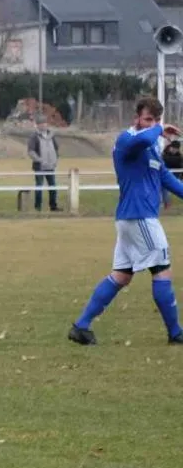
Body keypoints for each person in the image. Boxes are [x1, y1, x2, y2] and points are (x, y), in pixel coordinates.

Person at [66, 95, 183, 347]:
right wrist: (160, 129)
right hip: (140, 216)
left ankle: (81, 327)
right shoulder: (126, 140)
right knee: (162, 269)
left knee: (121, 275)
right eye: (148, 119)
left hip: (132, 219)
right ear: (136, 119)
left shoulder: (151, 148)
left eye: (156, 119)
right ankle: (176, 333)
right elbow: (144, 138)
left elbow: (165, 177)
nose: (152, 124)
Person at [28, 124, 61, 212]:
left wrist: (55, 159)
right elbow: (31, 151)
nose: (44, 126)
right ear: (38, 125)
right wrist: (39, 160)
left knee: (53, 186)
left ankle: (53, 206)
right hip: (40, 167)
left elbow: (56, 148)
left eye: (45, 124)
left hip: (50, 166)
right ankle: (38, 207)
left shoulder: (51, 136)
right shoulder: (34, 136)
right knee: (39, 186)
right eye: (41, 124)